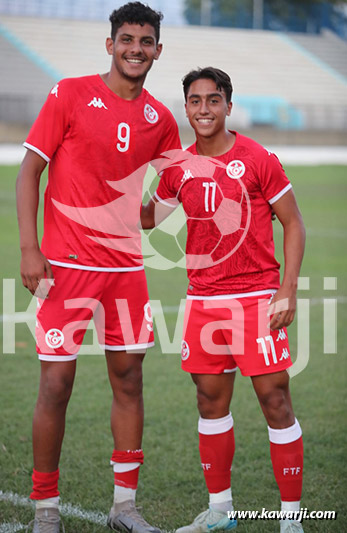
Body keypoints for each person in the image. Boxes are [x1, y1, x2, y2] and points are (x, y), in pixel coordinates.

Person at [16, 3, 181, 532]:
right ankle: (46, 509)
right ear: (109, 44)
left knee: (129, 381)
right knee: (57, 385)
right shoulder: (69, 93)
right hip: (64, 267)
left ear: (158, 49)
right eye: (127, 39)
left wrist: (153, 210)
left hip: (126, 272)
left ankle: (124, 508)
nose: (137, 49)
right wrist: (28, 247)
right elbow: (29, 172)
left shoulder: (161, 119)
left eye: (146, 41)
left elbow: (167, 198)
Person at [141, 67, 306, 533]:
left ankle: (291, 520)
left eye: (213, 100)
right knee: (210, 403)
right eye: (195, 101)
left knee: (275, 401)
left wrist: (287, 289)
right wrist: (114, 180)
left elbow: (293, 223)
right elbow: (151, 218)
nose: (204, 109)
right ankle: (220, 511)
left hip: (257, 300)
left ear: (228, 106)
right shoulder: (179, 167)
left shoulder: (257, 158)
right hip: (204, 300)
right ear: (186, 108)